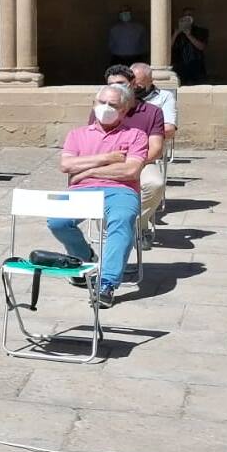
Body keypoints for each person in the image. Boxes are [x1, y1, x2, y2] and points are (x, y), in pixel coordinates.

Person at [48, 82, 148, 307]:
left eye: (112, 104)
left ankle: (107, 283)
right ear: (94, 104)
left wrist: (89, 170)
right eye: (102, 102)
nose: (105, 107)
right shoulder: (77, 134)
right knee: (57, 222)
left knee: (122, 221)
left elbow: (131, 170)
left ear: (123, 110)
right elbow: (66, 165)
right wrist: (106, 158)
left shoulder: (136, 135)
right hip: (82, 190)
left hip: (121, 189)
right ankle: (85, 257)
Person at [103, 65, 166, 250]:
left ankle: (134, 223)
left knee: (155, 184)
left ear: (132, 84)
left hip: (142, 161)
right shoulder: (102, 110)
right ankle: (127, 225)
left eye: (121, 83)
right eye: (111, 84)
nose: (116, 88)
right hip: (110, 162)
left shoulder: (152, 112)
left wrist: (133, 162)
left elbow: (155, 149)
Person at [132, 61, 177, 140]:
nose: (135, 88)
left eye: (139, 86)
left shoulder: (164, 96)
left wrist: (138, 140)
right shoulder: (122, 96)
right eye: (132, 84)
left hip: (151, 143)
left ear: (150, 81)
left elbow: (168, 130)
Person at [171, 9, 208, 84]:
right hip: (180, 66)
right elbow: (167, 49)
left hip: (196, 66)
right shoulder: (175, 32)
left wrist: (188, 35)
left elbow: (201, 47)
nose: (187, 18)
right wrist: (175, 34)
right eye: (185, 16)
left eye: (189, 15)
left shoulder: (201, 31)